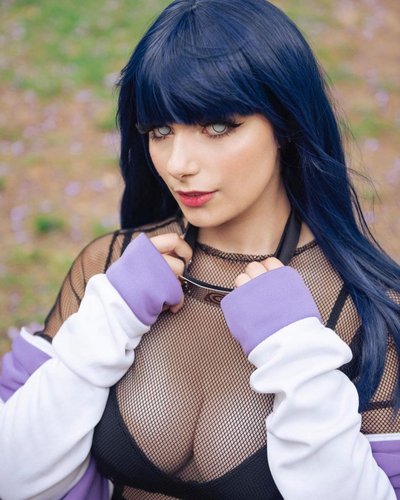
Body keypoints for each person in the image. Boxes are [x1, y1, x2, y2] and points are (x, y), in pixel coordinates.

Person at [0, 0, 399, 498]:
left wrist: (299, 360)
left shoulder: (365, 308)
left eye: (217, 127)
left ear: (286, 123)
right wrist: (109, 319)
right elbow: (11, 476)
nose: (178, 163)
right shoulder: (109, 267)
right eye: (161, 131)